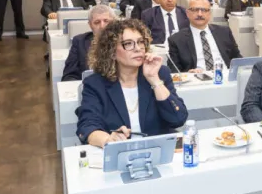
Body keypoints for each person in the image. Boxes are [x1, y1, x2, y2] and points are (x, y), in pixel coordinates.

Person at [75, 19, 189, 147]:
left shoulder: (159, 73)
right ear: (111, 52)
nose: (138, 48)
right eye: (128, 44)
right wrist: (108, 139)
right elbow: (87, 126)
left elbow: (178, 119)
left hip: (157, 149)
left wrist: (154, 80)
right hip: (119, 152)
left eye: (141, 42)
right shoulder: (96, 84)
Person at [168, 0, 241, 72]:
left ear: (209, 13)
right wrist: (188, 74)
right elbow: (174, 71)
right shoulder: (176, 40)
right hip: (197, 77)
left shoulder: (224, 32)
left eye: (204, 10)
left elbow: (237, 58)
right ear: (187, 13)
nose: (200, 14)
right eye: (195, 10)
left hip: (225, 75)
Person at [62, 5, 115, 81]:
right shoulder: (79, 41)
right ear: (90, 25)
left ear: (114, 22)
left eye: (106, 21)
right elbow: (69, 75)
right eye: (97, 22)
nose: (102, 26)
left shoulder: (123, 41)